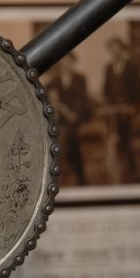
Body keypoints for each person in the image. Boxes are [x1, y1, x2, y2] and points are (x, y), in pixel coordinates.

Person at [103, 37, 140, 176]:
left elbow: (139, 90)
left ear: (122, 50)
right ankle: (116, 163)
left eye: (117, 50)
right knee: (112, 133)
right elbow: (106, 90)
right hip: (114, 108)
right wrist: (107, 103)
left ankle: (132, 166)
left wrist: (134, 106)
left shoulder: (131, 67)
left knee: (125, 133)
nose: (115, 53)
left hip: (129, 107)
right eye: (112, 50)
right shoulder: (108, 68)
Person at [47, 53, 90, 185]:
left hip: (78, 116)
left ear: (73, 63)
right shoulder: (54, 80)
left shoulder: (80, 78)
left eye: (69, 62)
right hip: (62, 117)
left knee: (67, 135)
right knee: (67, 137)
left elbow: (82, 99)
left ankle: (68, 170)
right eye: (63, 62)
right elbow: (48, 97)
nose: (66, 65)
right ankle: (78, 174)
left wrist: (75, 113)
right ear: (60, 64)